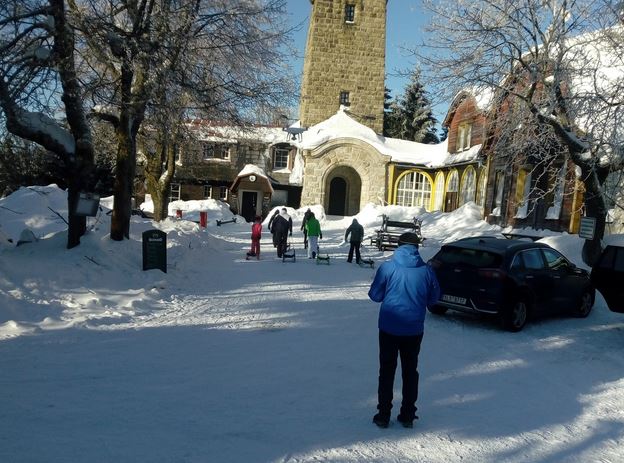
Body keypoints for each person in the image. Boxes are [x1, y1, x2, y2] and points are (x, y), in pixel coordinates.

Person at [368, 232, 440, 429]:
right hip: (413, 329)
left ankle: (383, 415)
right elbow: (434, 299)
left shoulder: (388, 268)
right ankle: (407, 414)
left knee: (387, 371)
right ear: (417, 247)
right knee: (410, 371)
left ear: (398, 246)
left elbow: (375, 295)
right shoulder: (427, 271)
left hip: (389, 327)